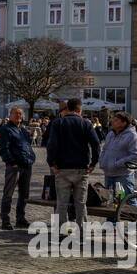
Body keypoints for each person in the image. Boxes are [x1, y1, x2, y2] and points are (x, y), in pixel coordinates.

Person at [43, 98, 101, 231]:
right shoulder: (85, 123)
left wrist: (51, 163)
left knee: (62, 203)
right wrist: (93, 163)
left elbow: (51, 145)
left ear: (67, 108)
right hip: (81, 168)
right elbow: (96, 144)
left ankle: (62, 232)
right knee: (80, 203)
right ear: (79, 110)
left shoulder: (58, 123)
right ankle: (82, 232)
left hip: (62, 168)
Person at [0, 107, 34, 231]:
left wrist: (31, 158)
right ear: (10, 115)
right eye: (16, 114)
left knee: (24, 194)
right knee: (8, 193)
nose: (19, 116)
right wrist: (11, 162)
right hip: (14, 166)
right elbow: (3, 148)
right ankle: (5, 219)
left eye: (20, 114)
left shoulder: (23, 130)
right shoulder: (6, 129)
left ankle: (20, 218)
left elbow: (27, 146)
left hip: (26, 165)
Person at [99, 111, 137, 203]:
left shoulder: (132, 136)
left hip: (122, 176)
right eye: (113, 119)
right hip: (109, 174)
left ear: (124, 123)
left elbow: (135, 156)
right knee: (110, 202)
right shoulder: (110, 134)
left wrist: (116, 164)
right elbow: (104, 149)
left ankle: (133, 217)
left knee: (125, 201)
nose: (112, 122)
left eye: (116, 120)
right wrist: (102, 162)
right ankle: (112, 218)